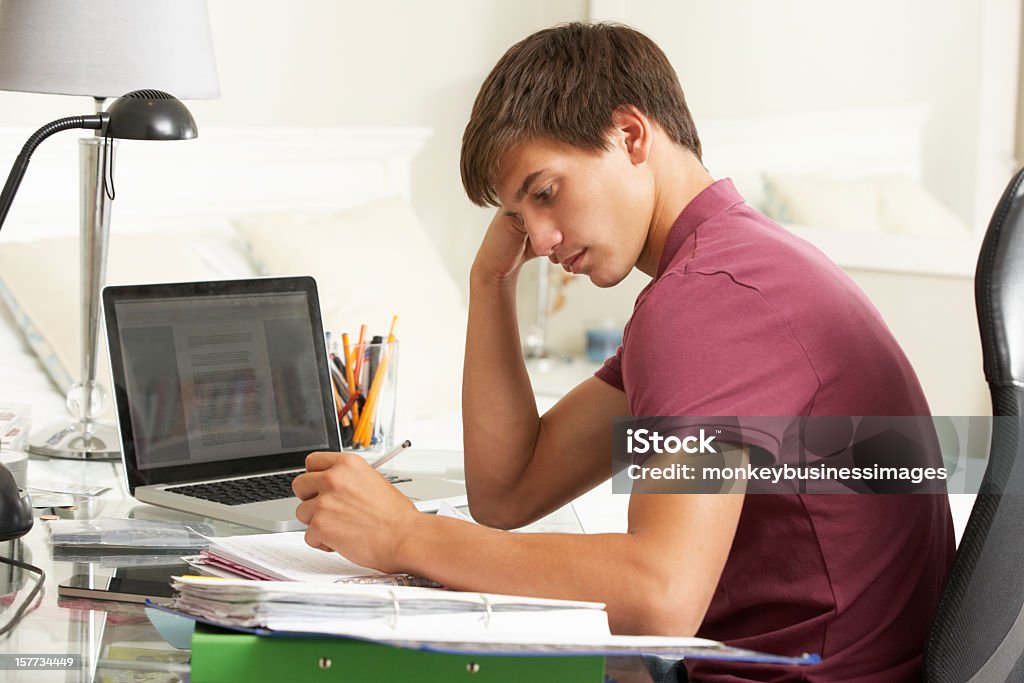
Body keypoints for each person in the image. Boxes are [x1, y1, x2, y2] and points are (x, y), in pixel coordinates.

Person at [292, 23, 954, 682]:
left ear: (631, 135)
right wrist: (490, 282)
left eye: (546, 191)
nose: (542, 239)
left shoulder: (705, 302)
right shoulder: (737, 268)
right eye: (520, 217)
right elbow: (510, 490)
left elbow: (660, 596)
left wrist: (407, 537)